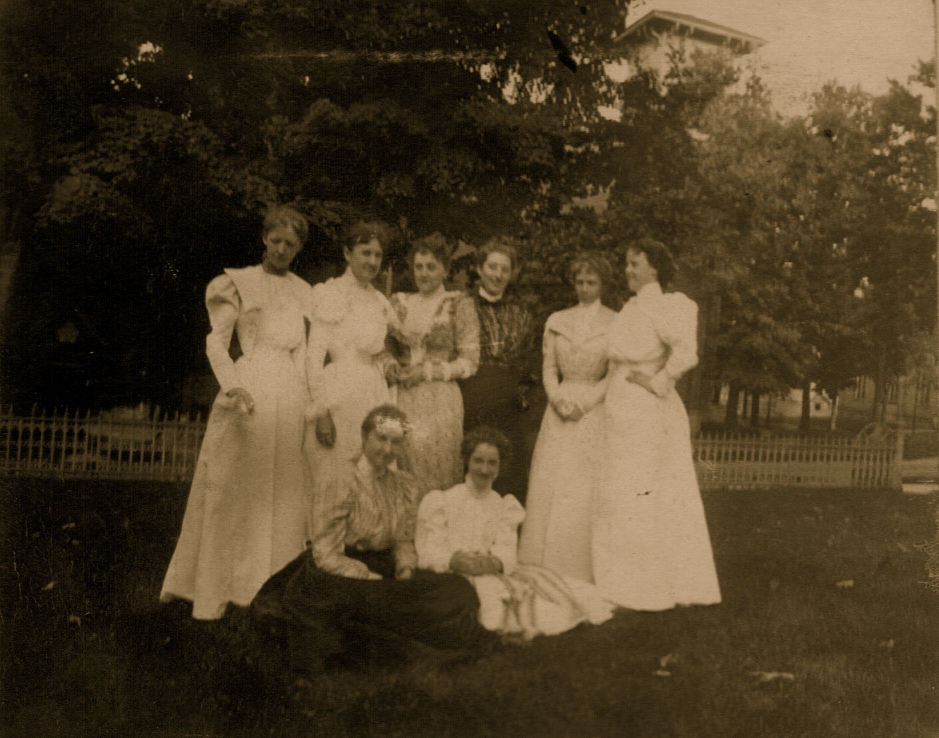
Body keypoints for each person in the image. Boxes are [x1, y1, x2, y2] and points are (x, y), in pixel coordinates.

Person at [252, 405, 493, 674]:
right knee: (383, 602)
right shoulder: (341, 478)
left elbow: (402, 539)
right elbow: (324, 552)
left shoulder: (404, 484)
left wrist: (405, 569)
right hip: (336, 571)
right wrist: (368, 577)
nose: (387, 449)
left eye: (396, 442)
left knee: (456, 589)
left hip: (384, 564)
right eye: (381, 438)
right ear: (364, 437)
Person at [160, 205, 314, 620]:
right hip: (252, 387)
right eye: (276, 240)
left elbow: (302, 352)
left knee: (282, 491)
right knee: (238, 487)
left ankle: (270, 584)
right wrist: (233, 384)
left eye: (290, 244)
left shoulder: (304, 291)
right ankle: (220, 584)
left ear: (298, 248)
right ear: (264, 239)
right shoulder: (238, 283)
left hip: (291, 392)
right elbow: (216, 342)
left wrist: (307, 399)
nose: (281, 249)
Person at [594, 238, 721, 611]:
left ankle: (646, 584)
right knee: (621, 492)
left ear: (655, 269)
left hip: (644, 410)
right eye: (628, 263)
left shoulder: (668, 305)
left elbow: (686, 353)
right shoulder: (631, 307)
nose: (628, 270)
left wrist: (658, 382)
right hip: (619, 406)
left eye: (636, 263)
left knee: (642, 492)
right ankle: (619, 580)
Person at [416, 427, 614, 640]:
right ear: (467, 461)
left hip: (491, 574)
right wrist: (453, 560)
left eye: (492, 463)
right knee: (488, 607)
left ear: (500, 467)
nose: (484, 469)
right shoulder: (443, 501)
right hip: (453, 576)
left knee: (547, 598)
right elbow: (428, 553)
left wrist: (494, 562)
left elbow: (507, 553)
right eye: (478, 461)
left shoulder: (503, 506)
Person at [518, 253, 617, 583]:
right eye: (580, 282)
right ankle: (541, 564)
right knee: (551, 482)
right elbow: (548, 370)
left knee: (582, 487)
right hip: (559, 411)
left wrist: (585, 405)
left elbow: (613, 375)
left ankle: (579, 568)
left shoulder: (614, 323)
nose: (585, 288)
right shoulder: (557, 320)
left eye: (592, 282)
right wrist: (558, 399)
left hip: (592, 411)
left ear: (602, 284)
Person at [306, 221, 399, 484]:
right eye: (365, 253)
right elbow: (313, 358)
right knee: (337, 474)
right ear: (347, 254)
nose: (372, 261)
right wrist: (321, 412)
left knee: (371, 477)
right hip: (338, 394)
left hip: (374, 393)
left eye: (377, 255)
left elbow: (378, 352)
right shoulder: (330, 293)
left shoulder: (380, 301)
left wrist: (389, 366)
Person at [388, 233, 480, 495]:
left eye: (431, 267)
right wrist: (391, 365)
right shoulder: (400, 303)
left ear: (445, 270)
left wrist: (427, 371)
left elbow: (469, 363)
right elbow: (384, 348)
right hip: (403, 396)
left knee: (438, 468)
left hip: (441, 399)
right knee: (405, 467)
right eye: (419, 267)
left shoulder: (457, 303)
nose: (424, 273)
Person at [458, 237, 537, 503]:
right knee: (468, 469)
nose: (498, 274)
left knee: (506, 477)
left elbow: (528, 362)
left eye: (504, 269)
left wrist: (522, 397)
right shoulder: (461, 307)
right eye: (492, 267)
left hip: (508, 405)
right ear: (479, 269)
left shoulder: (521, 313)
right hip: (471, 398)